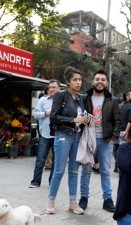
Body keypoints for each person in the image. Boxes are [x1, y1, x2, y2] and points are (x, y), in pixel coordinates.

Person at [47, 67, 90, 215]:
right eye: (75, 80)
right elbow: (54, 117)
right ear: (68, 82)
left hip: (77, 136)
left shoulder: (80, 98)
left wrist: (86, 119)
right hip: (63, 136)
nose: (78, 83)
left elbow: (82, 115)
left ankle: (73, 202)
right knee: (59, 170)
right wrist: (73, 120)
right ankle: (51, 201)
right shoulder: (61, 96)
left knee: (73, 171)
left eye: (80, 80)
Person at [79, 69, 121, 212]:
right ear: (93, 81)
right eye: (97, 79)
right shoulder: (85, 98)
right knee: (86, 169)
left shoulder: (112, 100)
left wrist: (113, 138)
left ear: (106, 82)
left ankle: (107, 200)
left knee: (105, 171)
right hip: (88, 139)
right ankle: (83, 198)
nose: (100, 82)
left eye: (103, 80)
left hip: (105, 140)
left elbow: (117, 120)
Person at [29, 80, 61, 188]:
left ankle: (52, 182)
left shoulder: (63, 101)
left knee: (56, 161)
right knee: (40, 158)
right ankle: (35, 181)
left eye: (54, 87)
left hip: (59, 135)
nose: (51, 89)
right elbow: (35, 114)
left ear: (59, 89)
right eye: (50, 87)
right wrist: (46, 113)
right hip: (45, 134)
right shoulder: (43, 100)